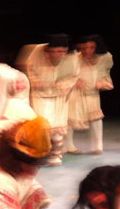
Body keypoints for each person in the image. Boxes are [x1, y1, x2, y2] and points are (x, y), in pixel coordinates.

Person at [19, 34, 78, 165]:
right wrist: (39, 82)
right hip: (40, 95)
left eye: (61, 52)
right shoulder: (37, 52)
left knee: (57, 126)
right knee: (42, 125)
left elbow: (74, 75)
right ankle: (39, 155)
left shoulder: (72, 57)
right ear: (47, 50)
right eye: (54, 51)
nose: (57, 55)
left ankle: (56, 155)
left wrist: (61, 85)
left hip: (59, 95)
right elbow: (29, 69)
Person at [66, 35, 113, 154]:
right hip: (75, 91)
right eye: (83, 48)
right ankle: (69, 146)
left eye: (91, 47)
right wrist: (74, 81)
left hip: (92, 91)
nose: (87, 51)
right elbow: (65, 73)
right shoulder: (74, 58)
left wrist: (102, 82)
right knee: (70, 117)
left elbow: (105, 72)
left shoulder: (104, 57)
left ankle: (98, 146)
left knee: (95, 117)